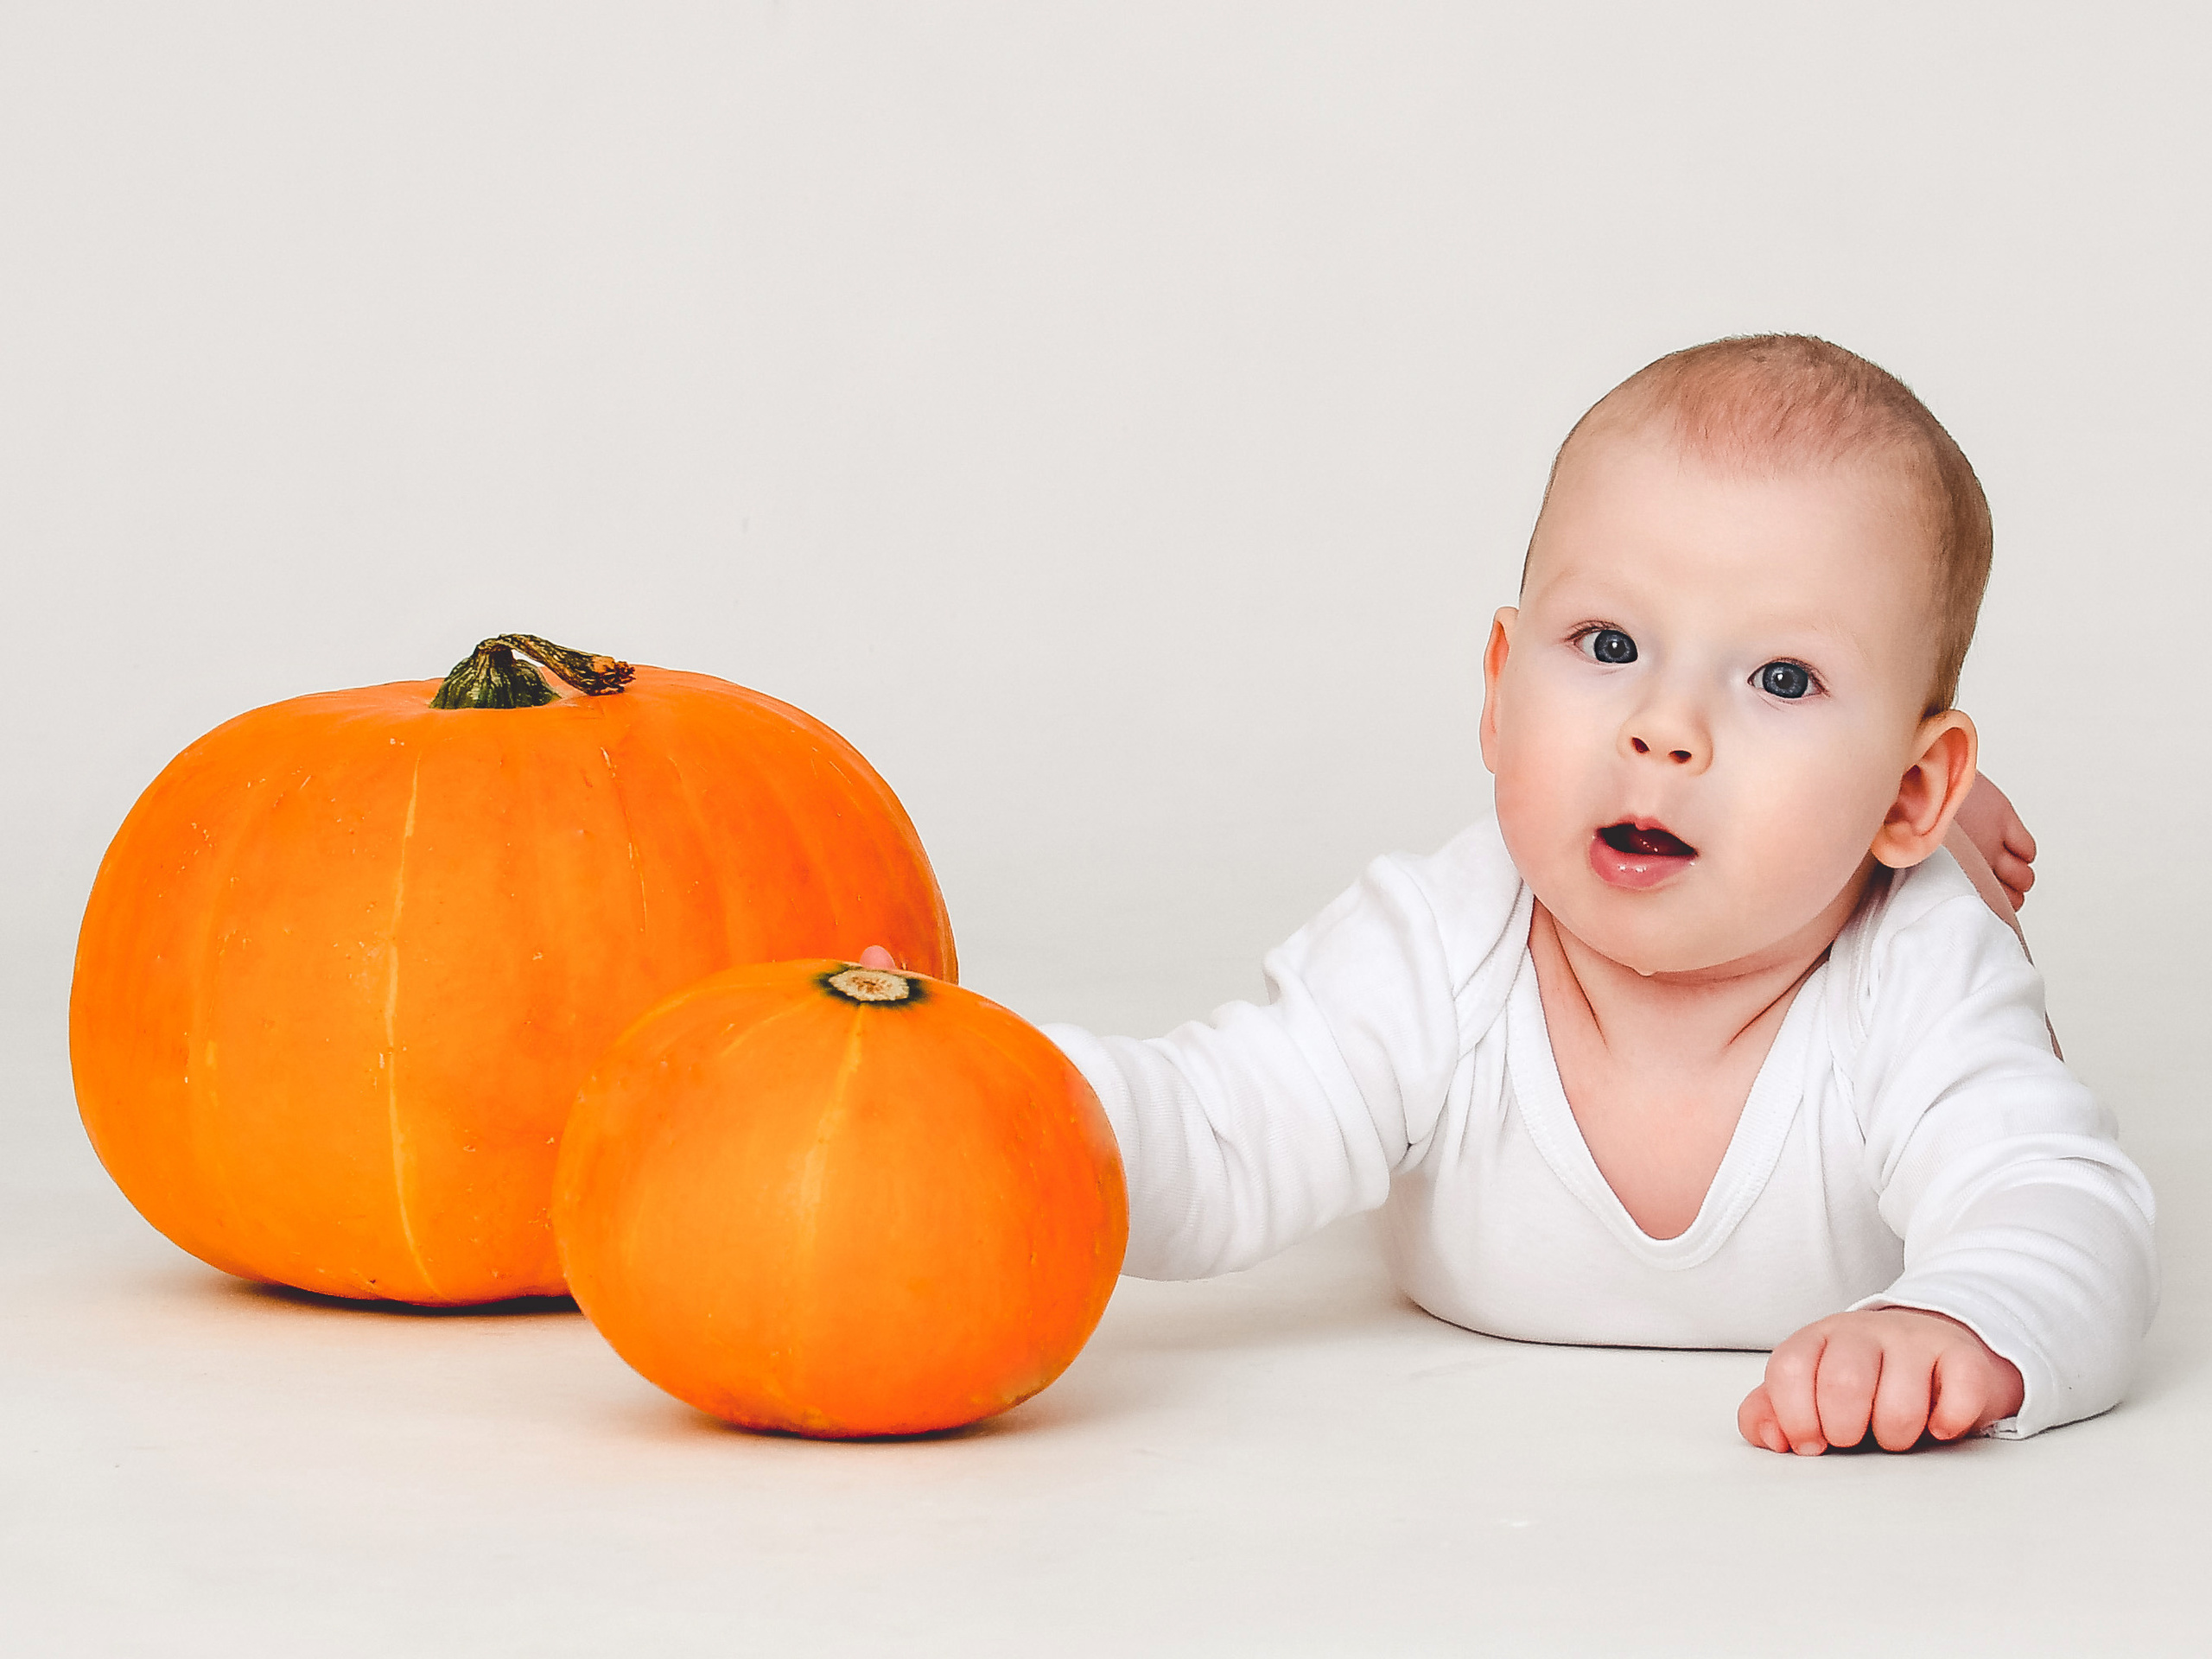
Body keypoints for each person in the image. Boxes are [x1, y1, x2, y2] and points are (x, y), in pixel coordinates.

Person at [873, 334, 2158, 1452]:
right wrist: (983, 1088)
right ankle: (1873, 788)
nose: (1665, 730)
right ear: (1497, 690)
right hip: (1860, 823)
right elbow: (1214, 1128)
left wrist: (1963, 1318)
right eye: (1608, 648)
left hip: (1906, 890)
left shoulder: (1916, 977)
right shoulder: (1442, 938)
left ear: (1906, 790)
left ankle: (1947, 850)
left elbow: (2059, 1210)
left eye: (1780, 680)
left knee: (1952, 943)